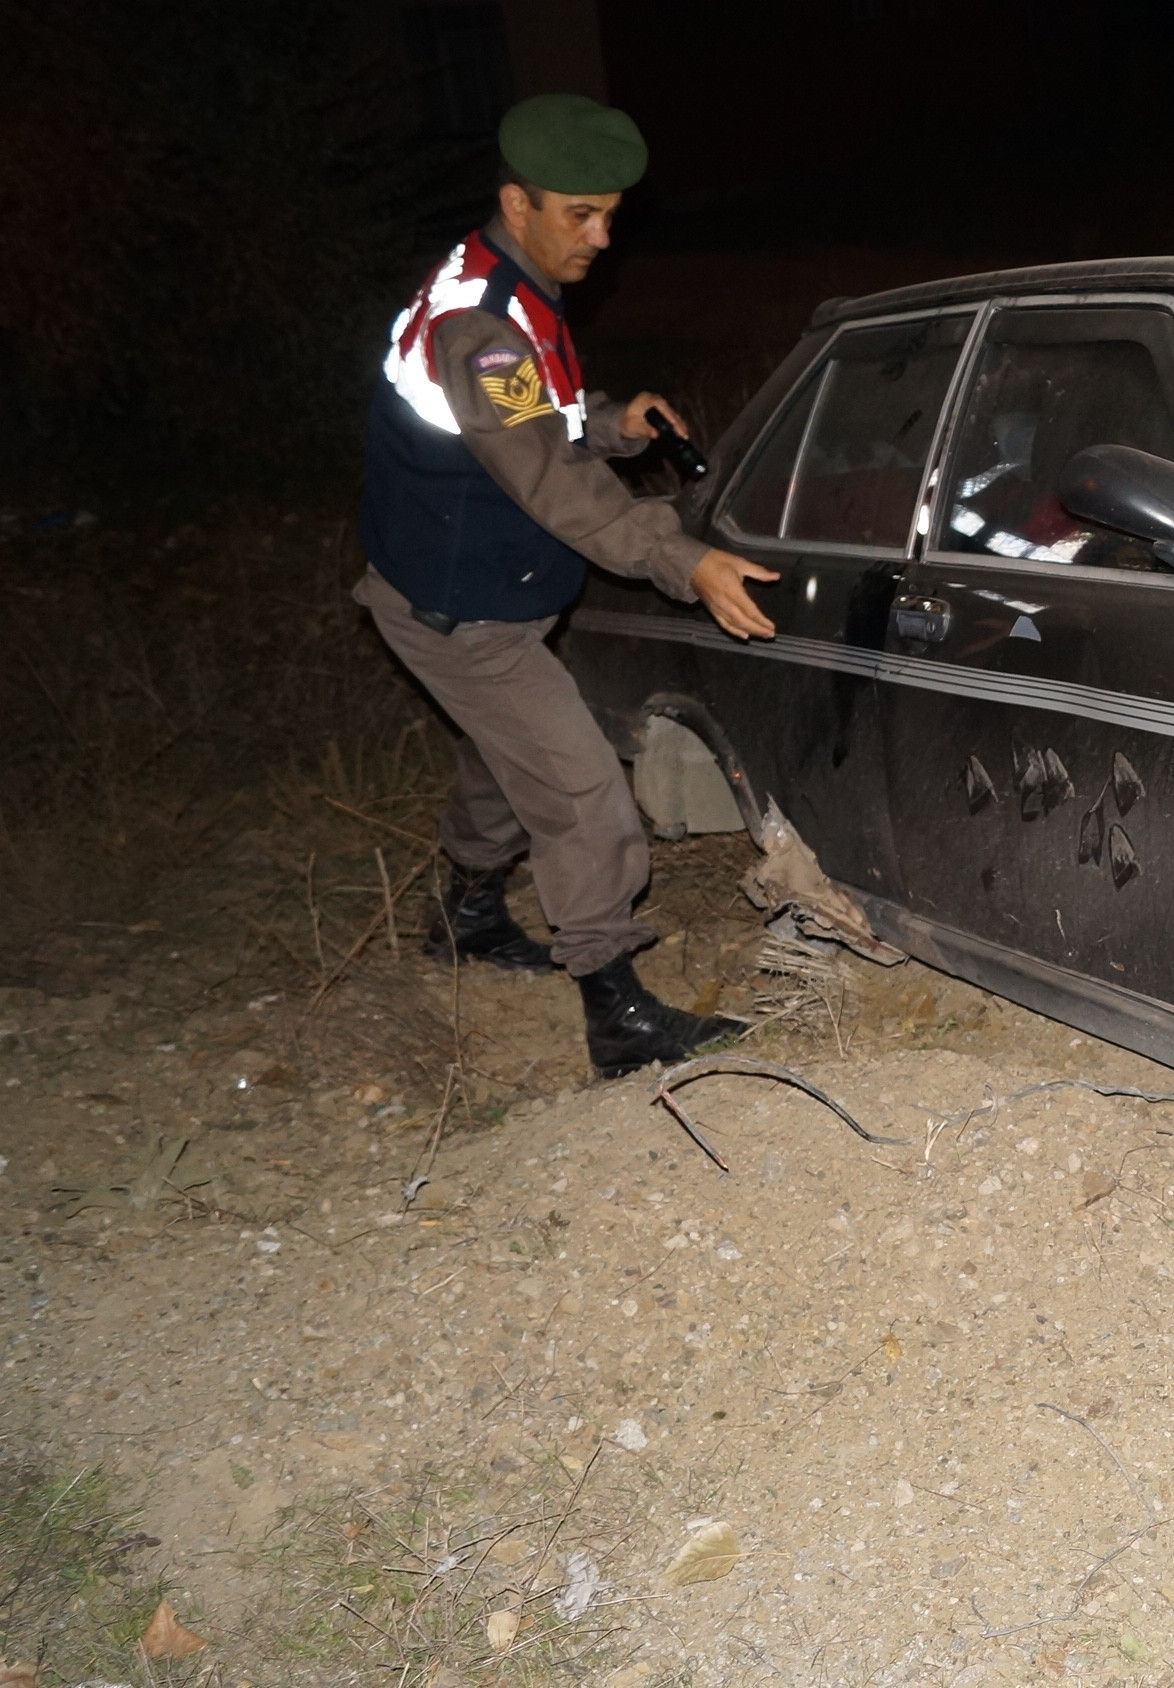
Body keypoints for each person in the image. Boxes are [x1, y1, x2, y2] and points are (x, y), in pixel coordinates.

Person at [357, 93, 778, 1079]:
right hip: (458, 611)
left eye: (612, 215)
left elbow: (525, 418)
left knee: (512, 758)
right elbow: (547, 475)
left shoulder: (504, 282)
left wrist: (610, 420)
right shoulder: (482, 325)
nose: (602, 237)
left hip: (471, 589)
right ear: (519, 201)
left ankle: (465, 916)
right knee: (585, 793)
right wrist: (683, 558)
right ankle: (617, 1014)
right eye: (581, 214)